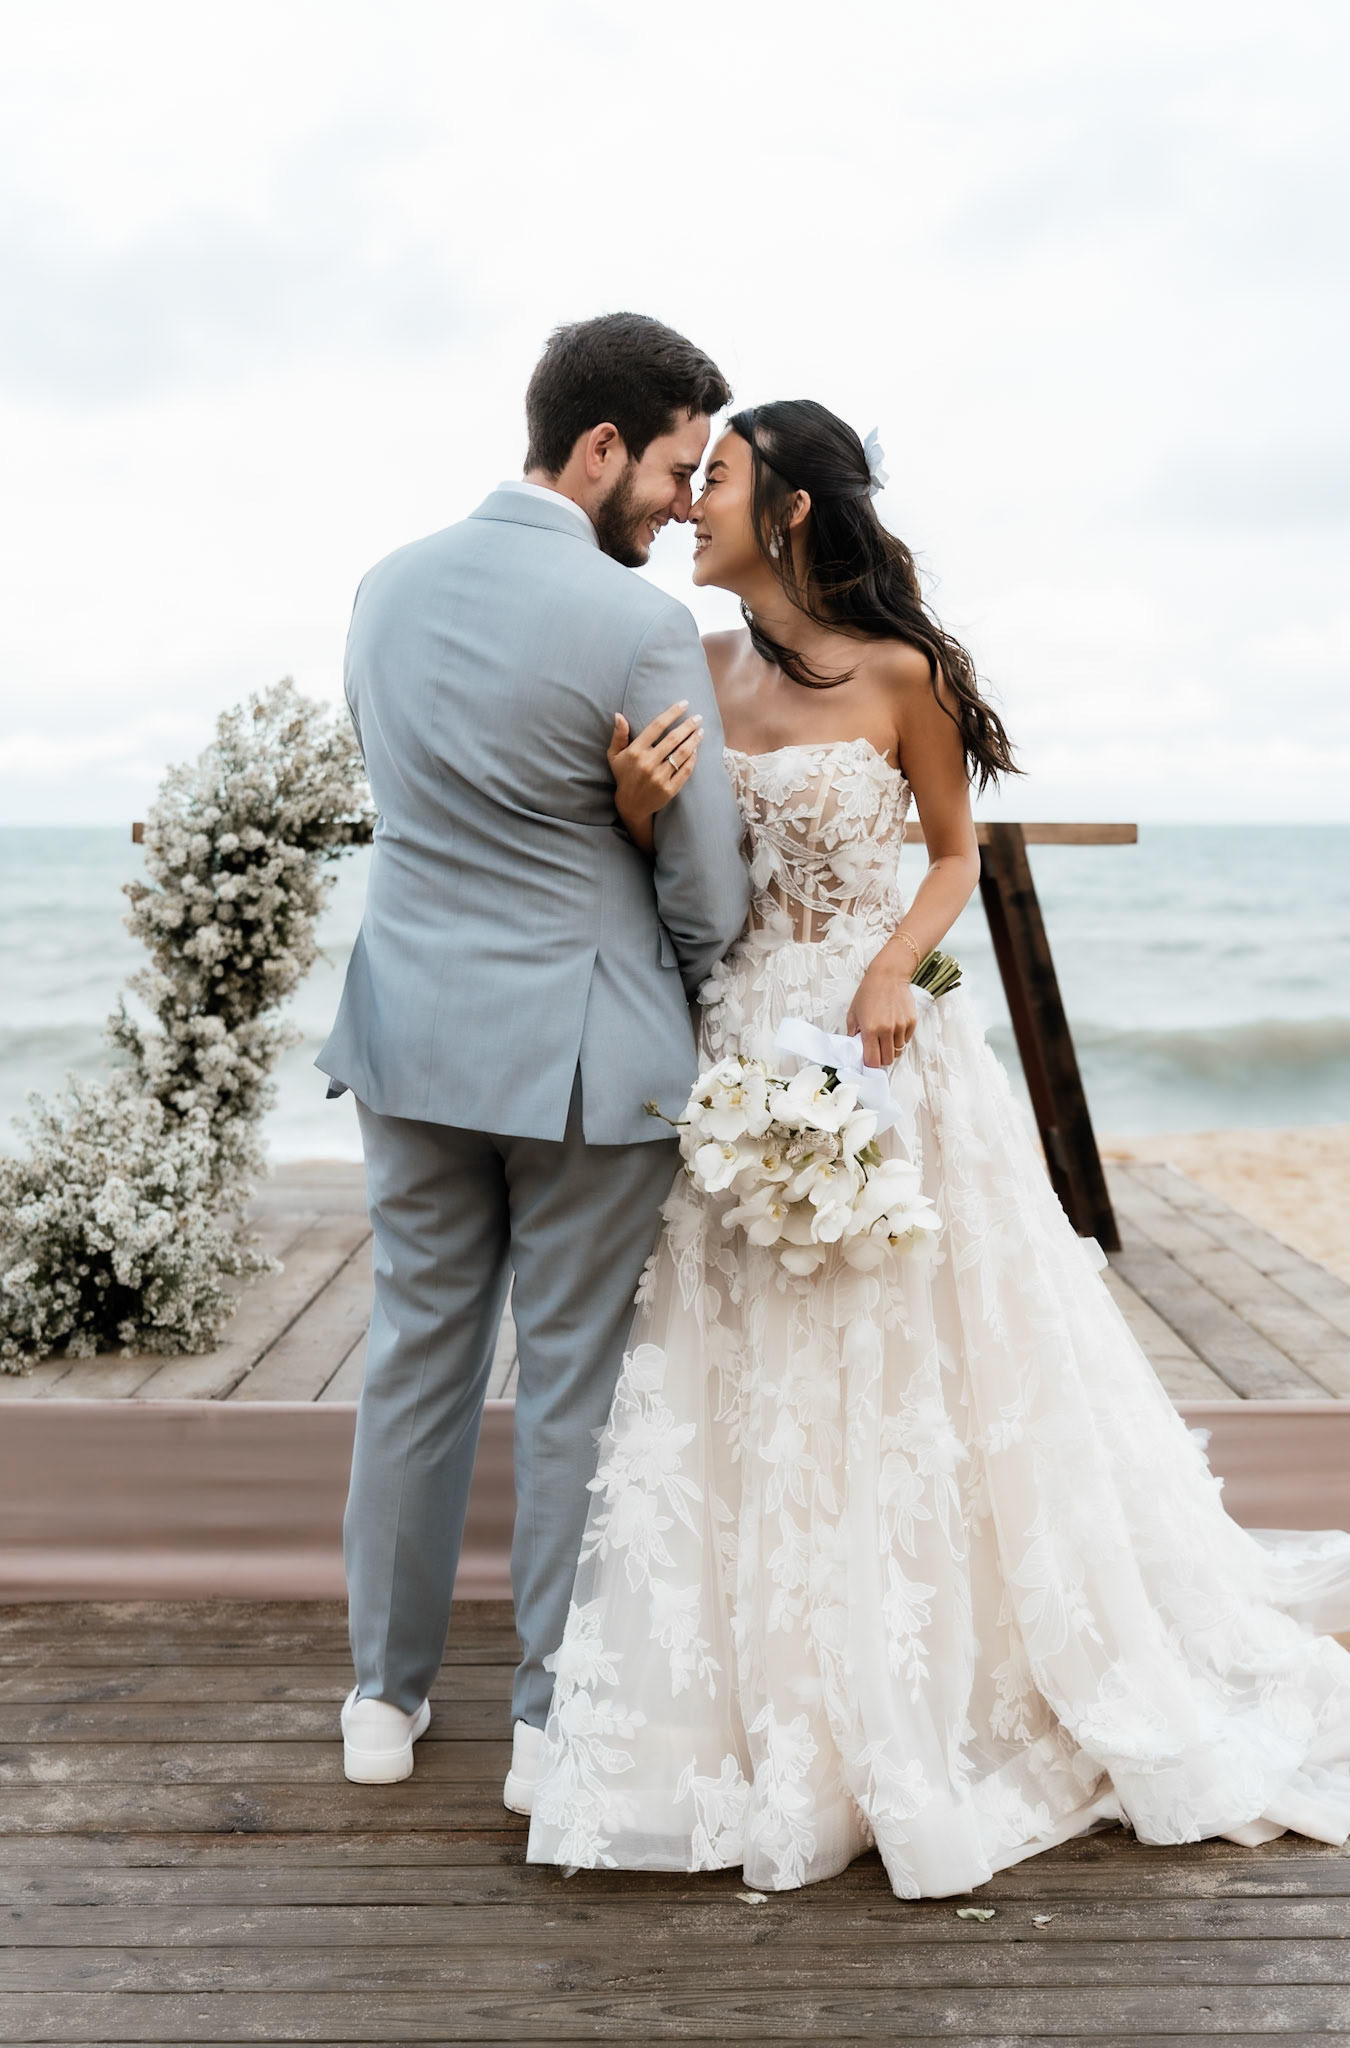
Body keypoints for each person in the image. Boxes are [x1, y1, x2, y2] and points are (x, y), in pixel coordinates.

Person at [526, 400, 1350, 1897]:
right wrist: (642, 811)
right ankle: (767, 1692)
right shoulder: (693, 669)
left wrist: (891, 972)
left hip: (885, 1048)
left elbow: (951, 854)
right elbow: (687, 876)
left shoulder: (900, 671)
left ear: (786, 510)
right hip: (741, 1053)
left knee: (927, 1349)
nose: (686, 507)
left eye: (713, 480)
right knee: (752, 1360)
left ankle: (956, 1667)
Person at [317, 314, 751, 1803]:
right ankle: (547, 1724)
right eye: (678, 469)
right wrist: (698, 991)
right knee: (570, 1383)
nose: (686, 503)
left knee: (412, 1363)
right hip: (587, 1060)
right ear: (601, 446)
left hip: (407, 1035)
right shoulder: (639, 629)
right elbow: (704, 881)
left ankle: (382, 1699)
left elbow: (414, 799)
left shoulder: (380, 590)